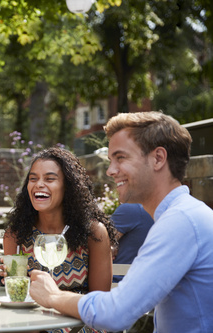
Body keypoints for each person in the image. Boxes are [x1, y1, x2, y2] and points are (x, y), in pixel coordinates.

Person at [29, 111, 213, 332]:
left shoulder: (180, 222)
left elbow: (115, 314)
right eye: (110, 160)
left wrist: (53, 296)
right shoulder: (182, 215)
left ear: (158, 158)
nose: (110, 171)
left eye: (121, 158)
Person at [3, 147, 118, 297]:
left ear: (68, 187)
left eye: (49, 179)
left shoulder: (93, 232)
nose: (39, 184)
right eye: (33, 179)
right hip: (31, 319)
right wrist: (10, 281)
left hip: (79, 319)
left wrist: (56, 298)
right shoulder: (16, 235)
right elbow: (17, 297)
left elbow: (99, 301)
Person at [111, 203, 153, 282]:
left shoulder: (130, 209)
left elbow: (99, 245)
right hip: (145, 283)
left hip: (117, 284)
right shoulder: (167, 212)